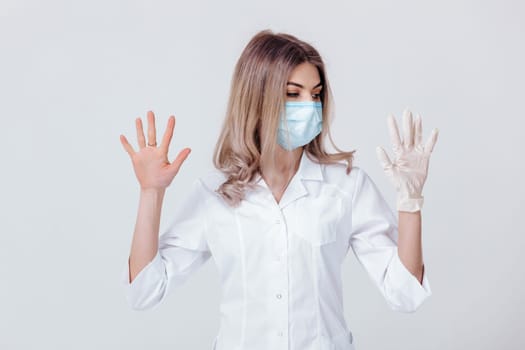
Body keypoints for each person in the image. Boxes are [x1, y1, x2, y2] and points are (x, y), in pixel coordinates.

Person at [119, 29, 439, 350]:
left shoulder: (346, 186)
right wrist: (151, 192)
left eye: (315, 95)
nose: (309, 105)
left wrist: (410, 202)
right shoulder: (215, 194)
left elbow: (405, 294)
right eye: (292, 93)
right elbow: (146, 291)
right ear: (258, 99)